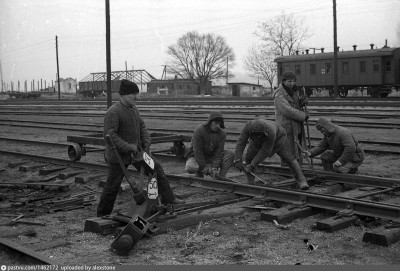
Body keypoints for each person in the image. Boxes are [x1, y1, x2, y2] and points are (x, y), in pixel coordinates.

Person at [97, 79, 184, 217]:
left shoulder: (134, 109)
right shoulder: (113, 112)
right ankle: (102, 215)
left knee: (156, 169)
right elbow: (110, 135)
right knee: (112, 185)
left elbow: (141, 126)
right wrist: (128, 147)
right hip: (119, 156)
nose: (137, 97)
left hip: (136, 153)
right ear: (124, 95)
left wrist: (146, 140)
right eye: (133, 95)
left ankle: (169, 200)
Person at [234, 118, 309, 190]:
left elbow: (265, 151)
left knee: (290, 159)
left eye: (261, 135)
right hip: (255, 142)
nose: (259, 137)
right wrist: (238, 159)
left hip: (279, 139)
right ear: (252, 132)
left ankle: (302, 181)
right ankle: (251, 182)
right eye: (257, 135)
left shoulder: (271, 132)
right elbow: (241, 142)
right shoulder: (248, 126)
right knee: (249, 158)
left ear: (264, 132)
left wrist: (253, 165)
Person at [273, 71, 309, 166]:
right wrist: (303, 115)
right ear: (284, 81)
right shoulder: (279, 94)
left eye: (293, 81)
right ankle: (287, 172)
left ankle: (298, 171)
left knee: (298, 150)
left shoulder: (295, 91)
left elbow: (296, 105)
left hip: (296, 126)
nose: (292, 83)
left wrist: (302, 101)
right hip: (286, 128)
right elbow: (287, 111)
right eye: (289, 81)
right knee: (288, 151)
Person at [184, 111, 234, 179]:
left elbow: (219, 152)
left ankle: (221, 177)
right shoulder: (199, 130)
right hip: (196, 157)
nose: (218, 126)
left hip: (211, 157)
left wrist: (214, 167)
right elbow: (197, 151)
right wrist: (203, 167)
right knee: (190, 167)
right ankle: (199, 172)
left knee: (230, 155)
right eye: (216, 123)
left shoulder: (222, 133)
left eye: (219, 124)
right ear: (210, 122)